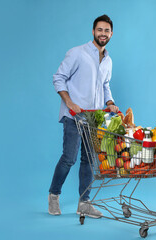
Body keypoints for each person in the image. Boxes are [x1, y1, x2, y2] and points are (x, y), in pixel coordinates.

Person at [49, 15, 119, 218]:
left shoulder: (108, 60)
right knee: (69, 158)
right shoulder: (77, 53)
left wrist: (110, 103)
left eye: (106, 30)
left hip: (93, 118)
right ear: (93, 31)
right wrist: (69, 103)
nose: (103, 34)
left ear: (111, 34)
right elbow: (58, 78)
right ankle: (54, 195)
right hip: (74, 116)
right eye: (100, 30)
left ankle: (84, 202)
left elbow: (105, 85)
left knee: (89, 160)